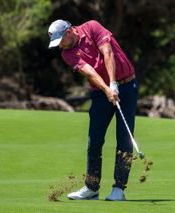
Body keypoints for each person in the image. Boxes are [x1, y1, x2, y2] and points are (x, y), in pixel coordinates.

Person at [48, 19, 138, 201]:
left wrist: (113, 83)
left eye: (60, 41)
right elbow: (90, 72)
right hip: (100, 93)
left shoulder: (92, 27)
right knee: (94, 140)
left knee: (124, 139)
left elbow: (108, 53)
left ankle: (119, 189)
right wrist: (107, 89)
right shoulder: (67, 54)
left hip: (127, 86)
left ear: (69, 32)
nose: (60, 46)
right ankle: (92, 187)